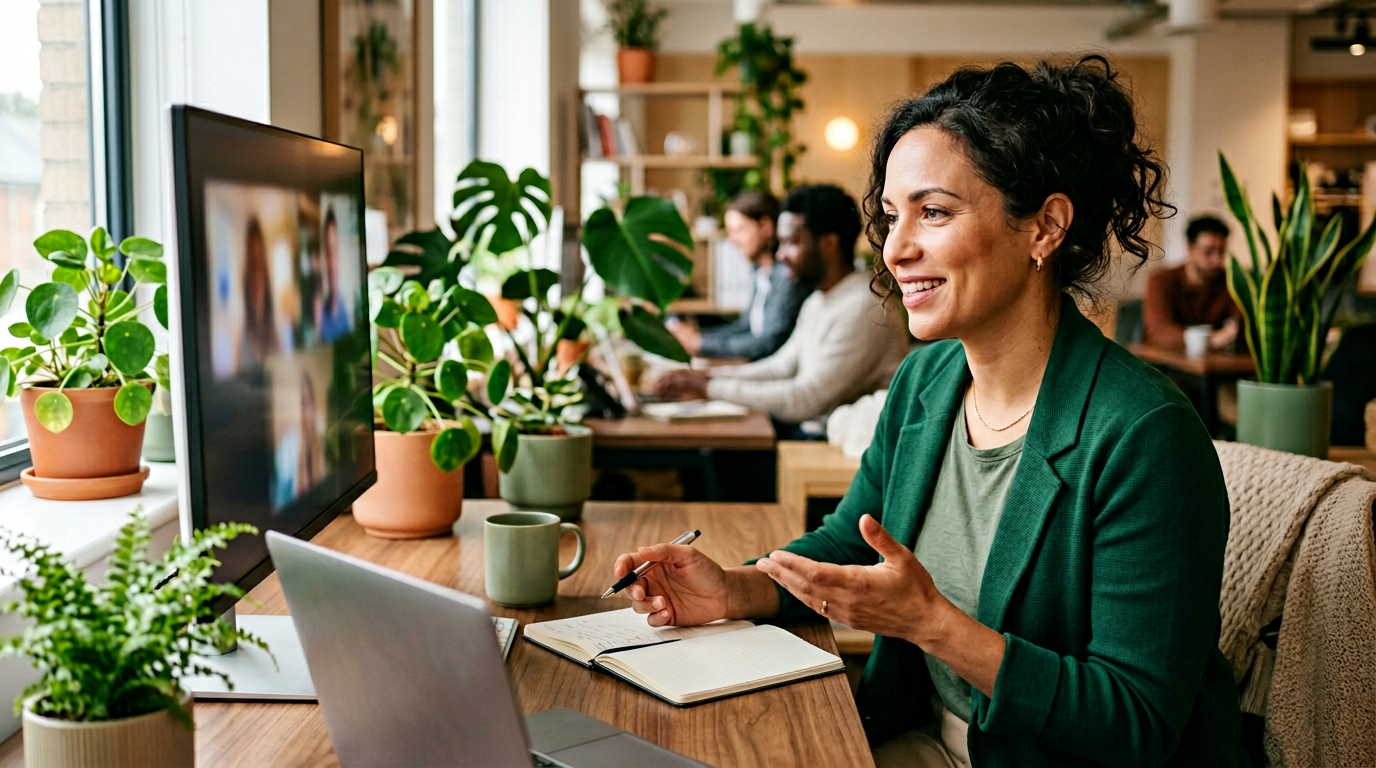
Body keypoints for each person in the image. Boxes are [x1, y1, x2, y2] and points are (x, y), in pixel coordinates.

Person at [620, 57, 1245, 768]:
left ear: (1044, 227)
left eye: (934, 212)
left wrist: (933, 625)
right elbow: (850, 546)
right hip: (917, 738)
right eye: (891, 217)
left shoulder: (1144, 434)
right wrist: (735, 588)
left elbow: (1134, 722)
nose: (896, 248)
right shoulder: (928, 381)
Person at [655, 184, 910, 429]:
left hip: (837, 446)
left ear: (828, 244)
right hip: (815, 431)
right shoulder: (819, 300)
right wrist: (708, 379)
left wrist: (708, 388)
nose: (780, 255)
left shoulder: (864, 308)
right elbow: (781, 366)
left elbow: (804, 400)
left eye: (792, 242)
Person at [669, 191, 812, 360]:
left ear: (765, 227)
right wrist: (699, 337)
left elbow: (768, 342)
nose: (732, 240)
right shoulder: (760, 271)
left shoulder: (786, 276)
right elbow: (747, 327)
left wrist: (701, 343)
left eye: (739, 230)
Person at [1143, 215, 1238, 350]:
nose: (1217, 260)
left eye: (1221, 252)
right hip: (1165, 362)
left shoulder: (1229, 280)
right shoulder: (1161, 280)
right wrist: (1210, 339)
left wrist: (1233, 327)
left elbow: (1239, 320)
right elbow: (1159, 331)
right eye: (1208, 252)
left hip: (1210, 364)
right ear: (1190, 249)